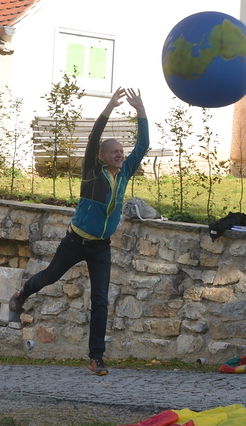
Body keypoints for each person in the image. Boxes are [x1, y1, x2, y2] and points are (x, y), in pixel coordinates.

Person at [9, 87, 148, 376]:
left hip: (101, 247)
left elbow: (143, 145)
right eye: (114, 152)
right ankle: (23, 293)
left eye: (121, 152)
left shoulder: (124, 173)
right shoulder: (92, 172)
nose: (120, 154)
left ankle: (96, 358)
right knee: (50, 276)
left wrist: (140, 111)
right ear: (102, 157)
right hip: (75, 241)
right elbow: (94, 137)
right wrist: (109, 107)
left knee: (101, 301)